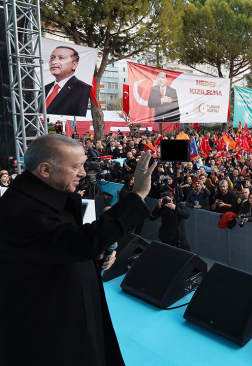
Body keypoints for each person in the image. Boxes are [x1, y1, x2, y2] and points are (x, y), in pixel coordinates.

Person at [0, 134, 156, 366]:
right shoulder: (20, 209)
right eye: (76, 166)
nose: (83, 173)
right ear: (45, 169)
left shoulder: (44, 197)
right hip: (48, 327)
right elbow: (78, 243)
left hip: (67, 310)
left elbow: (58, 247)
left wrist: (96, 255)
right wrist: (138, 196)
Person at [44, 46, 92, 116]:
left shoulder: (83, 89)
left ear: (74, 65)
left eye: (61, 58)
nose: (54, 62)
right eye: (52, 58)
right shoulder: (45, 88)